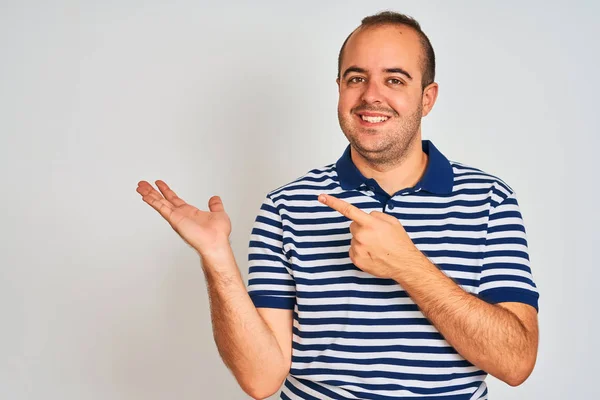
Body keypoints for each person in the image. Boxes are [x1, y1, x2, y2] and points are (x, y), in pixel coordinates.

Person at [136, 11, 539, 400]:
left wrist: (406, 264)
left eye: (395, 79)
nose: (371, 95)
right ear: (340, 89)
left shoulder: (490, 200)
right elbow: (260, 380)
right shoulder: (284, 206)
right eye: (356, 78)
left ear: (427, 98)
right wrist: (216, 257)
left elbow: (516, 362)